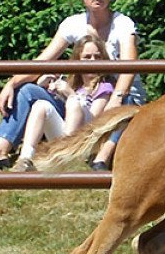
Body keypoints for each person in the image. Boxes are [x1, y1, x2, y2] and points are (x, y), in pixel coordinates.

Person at [0, 0, 145, 171]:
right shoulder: (73, 24)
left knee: (124, 100)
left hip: (118, 97)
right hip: (84, 100)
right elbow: (42, 62)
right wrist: (12, 82)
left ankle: (96, 159)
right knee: (27, 90)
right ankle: (0, 150)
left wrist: (115, 100)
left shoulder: (123, 24)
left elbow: (129, 67)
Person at [12, 36, 115, 172]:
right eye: (87, 57)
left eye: (97, 57)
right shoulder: (74, 84)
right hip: (65, 135)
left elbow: (94, 119)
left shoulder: (105, 87)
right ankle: (25, 158)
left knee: (73, 103)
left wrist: (71, 95)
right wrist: (46, 86)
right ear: (78, 60)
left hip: (85, 138)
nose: (92, 61)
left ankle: (66, 157)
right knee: (41, 105)